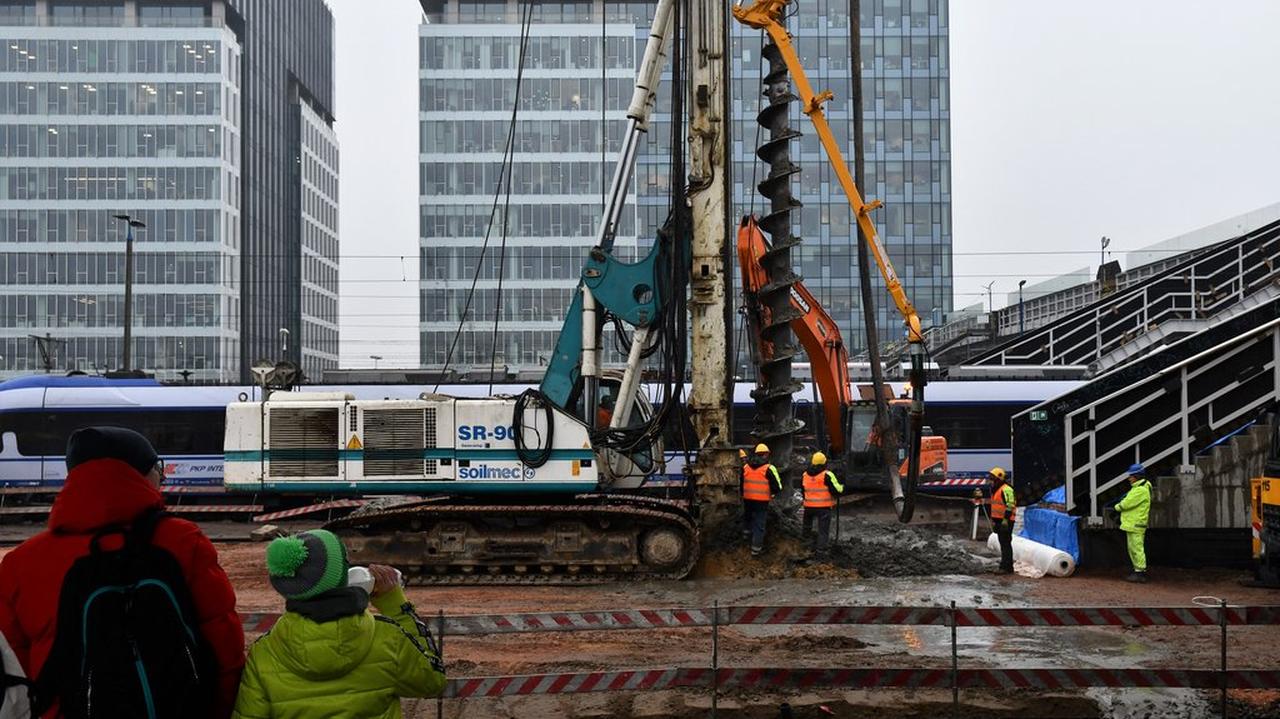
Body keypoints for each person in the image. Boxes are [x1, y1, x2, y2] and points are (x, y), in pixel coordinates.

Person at [0, 426, 244, 718]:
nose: (161, 476)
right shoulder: (183, 541)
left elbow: (16, 670)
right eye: (156, 467)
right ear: (137, 474)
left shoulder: (21, 562)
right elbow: (223, 646)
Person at [232, 530, 446, 718]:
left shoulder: (264, 653)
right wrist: (396, 606)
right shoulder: (388, 638)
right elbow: (432, 681)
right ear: (345, 578)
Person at [741, 443, 783, 556]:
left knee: (748, 517)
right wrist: (773, 493)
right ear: (765, 455)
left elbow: (741, 483)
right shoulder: (769, 468)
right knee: (759, 523)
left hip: (747, 499)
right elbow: (777, 486)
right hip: (762, 501)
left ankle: (745, 538)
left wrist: (743, 494)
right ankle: (756, 549)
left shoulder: (745, 467)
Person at [801, 452, 844, 556]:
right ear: (824, 463)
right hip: (823, 508)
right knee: (822, 531)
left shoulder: (805, 475)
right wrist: (842, 485)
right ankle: (820, 552)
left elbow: (803, 491)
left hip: (808, 507)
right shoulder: (827, 475)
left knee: (806, 528)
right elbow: (837, 490)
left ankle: (805, 548)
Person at [1115, 463, 1152, 583]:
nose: (1129, 478)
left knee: (1136, 548)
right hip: (1134, 524)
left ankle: (1140, 573)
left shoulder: (1140, 490)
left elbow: (1125, 504)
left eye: (1131, 476)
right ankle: (1138, 570)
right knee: (1134, 548)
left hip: (1135, 524)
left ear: (1137, 476)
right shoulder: (1142, 487)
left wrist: (1117, 507)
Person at [988, 467, 1016, 574]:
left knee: (1005, 543)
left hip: (1006, 520)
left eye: (992, 479)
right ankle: (1005, 566)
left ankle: (1006, 567)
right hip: (1000, 520)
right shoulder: (997, 489)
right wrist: (995, 521)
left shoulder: (1006, 489)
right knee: (1003, 543)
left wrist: (1005, 520)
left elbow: (1010, 505)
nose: (991, 481)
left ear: (998, 479)